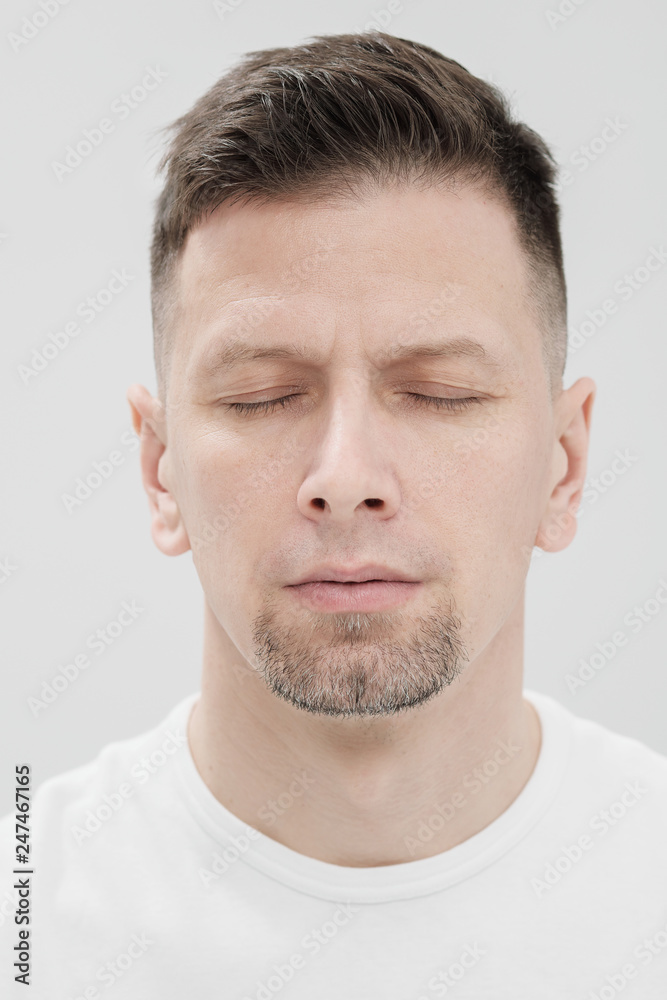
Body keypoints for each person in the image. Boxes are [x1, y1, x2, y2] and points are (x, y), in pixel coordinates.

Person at [2, 30, 666, 999]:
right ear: (159, 471)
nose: (346, 475)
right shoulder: (25, 915)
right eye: (262, 396)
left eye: (438, 392)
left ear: (563, 466)